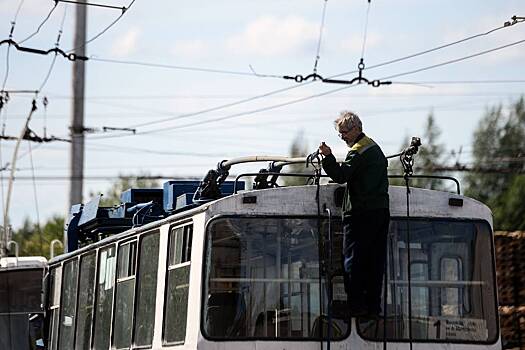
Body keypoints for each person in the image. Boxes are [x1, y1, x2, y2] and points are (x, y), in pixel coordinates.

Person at [318, 110, 390, 317]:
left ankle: (356, 307)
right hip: (381, 212)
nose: (343, 137)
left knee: (353, 261)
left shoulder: (358, 151)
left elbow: (341, 176)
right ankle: (373, 308)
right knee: (375, 261)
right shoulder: (374, 147)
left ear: (357, 128)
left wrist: (328, 157)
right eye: (340, 134)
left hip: (360, 214)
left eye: (345, 132)